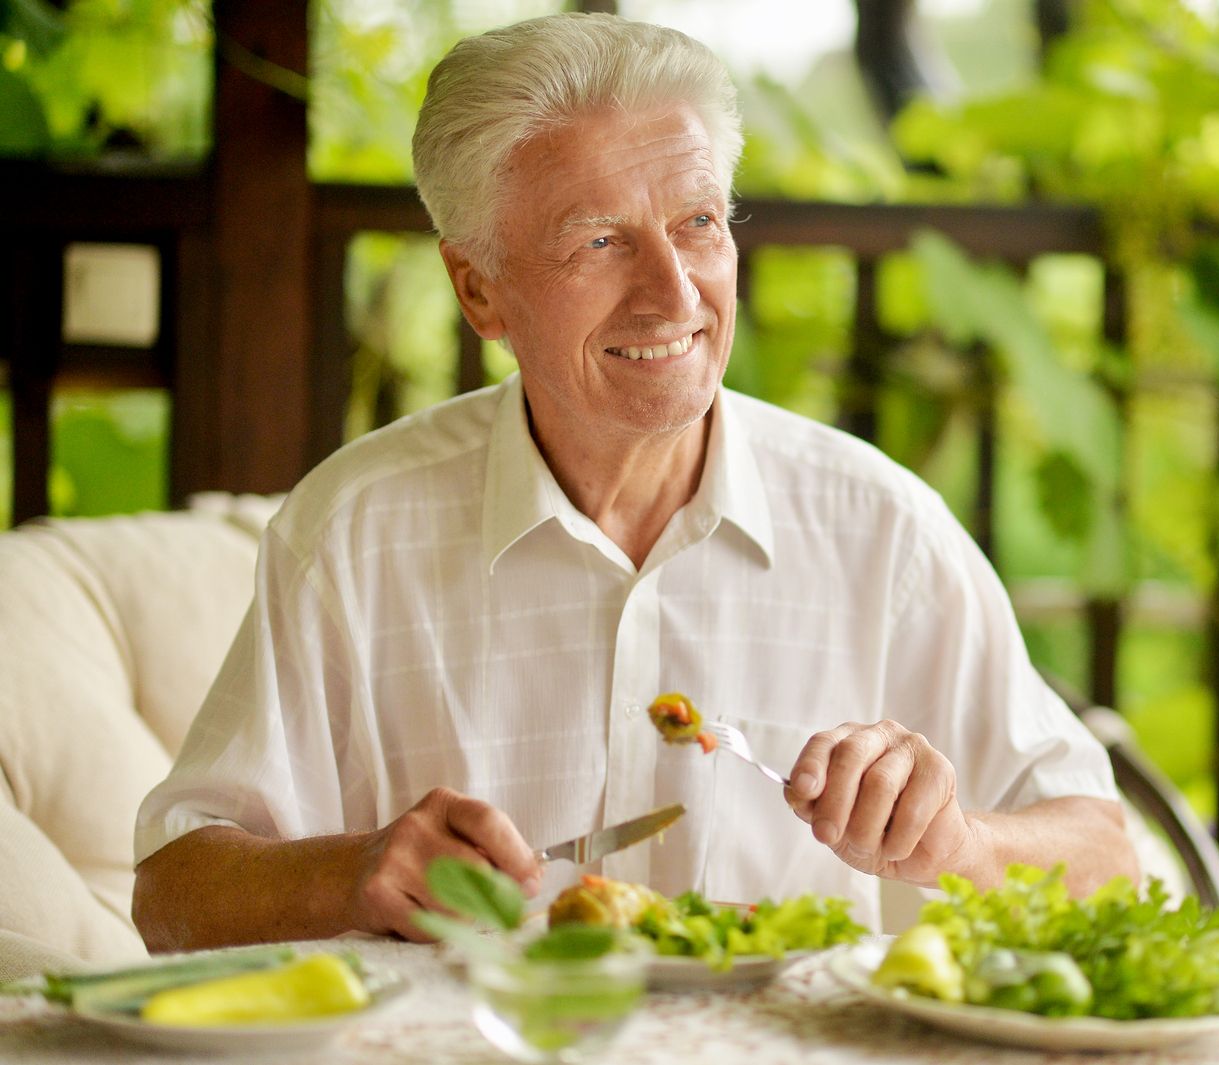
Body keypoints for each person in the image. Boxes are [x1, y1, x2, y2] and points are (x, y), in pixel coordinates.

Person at [132, 12, 1137, 952]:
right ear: (479, 289)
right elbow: (172, 892)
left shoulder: (880, 528)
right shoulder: (355, 529)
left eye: (698, 222)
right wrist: (351, 875)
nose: (674, 292)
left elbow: (1107, 864)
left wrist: (956, 841)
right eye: (600, 241)